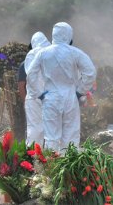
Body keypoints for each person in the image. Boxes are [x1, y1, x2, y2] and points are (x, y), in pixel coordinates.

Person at [27, 22, 96, 152]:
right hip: (70, 96)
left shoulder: (43, 53)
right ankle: (67, 168)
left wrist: (39, 93)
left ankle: (50, 168)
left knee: (51, 137)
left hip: (50, 97)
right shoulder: (75, 53)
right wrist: (80, 91)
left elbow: (31, 74)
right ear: (69, 35)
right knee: (70, 136)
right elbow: (90, 72)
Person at [24, 32, 50, 145]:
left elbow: (30, 75)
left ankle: (31, 157)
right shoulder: (51, 52)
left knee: (35, 128)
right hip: (49, 96)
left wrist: (38, 93)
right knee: (48, 130)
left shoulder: (32, 53)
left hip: (34, 97)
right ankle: (46, 157)